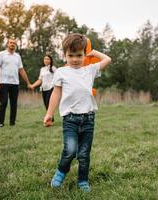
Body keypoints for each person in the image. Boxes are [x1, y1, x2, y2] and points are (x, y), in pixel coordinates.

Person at [43, 33, 111, 192]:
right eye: (70, 55)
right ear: (64, 55)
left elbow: (107, 60)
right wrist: (49, 113)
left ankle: (82, 180)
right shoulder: (61, 72)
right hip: (70, 119)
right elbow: (56, 94)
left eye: (79, 55)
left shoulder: (90, 70)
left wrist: (93, 53)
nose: (74, 59)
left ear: (84, 54)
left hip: (88, 120)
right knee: (70, 150)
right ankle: (61, 171)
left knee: (84, 154)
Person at [0, 38, 31, 127]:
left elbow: (21, 70)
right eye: (11, 43)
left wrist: (28, 83)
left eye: (14, 43)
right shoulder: (1, 54)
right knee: (4, 102)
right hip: (3, 82)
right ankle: (0, 123)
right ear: (7, 44)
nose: (12, 44)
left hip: (15, 83)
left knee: (14, 104)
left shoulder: (17, 56)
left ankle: (12, 123)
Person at [29, 55, 57, 124]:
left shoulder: (53, 68)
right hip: (44, 89)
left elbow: (57, 78)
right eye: (45, 59)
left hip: (51, 88)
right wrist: (33, 85)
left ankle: (49, 120)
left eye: (48, 59)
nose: (46, 60)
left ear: (50, 60)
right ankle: (50, 118)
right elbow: (40, 80)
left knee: (48, 104)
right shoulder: (42, 69)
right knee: (46, 105)